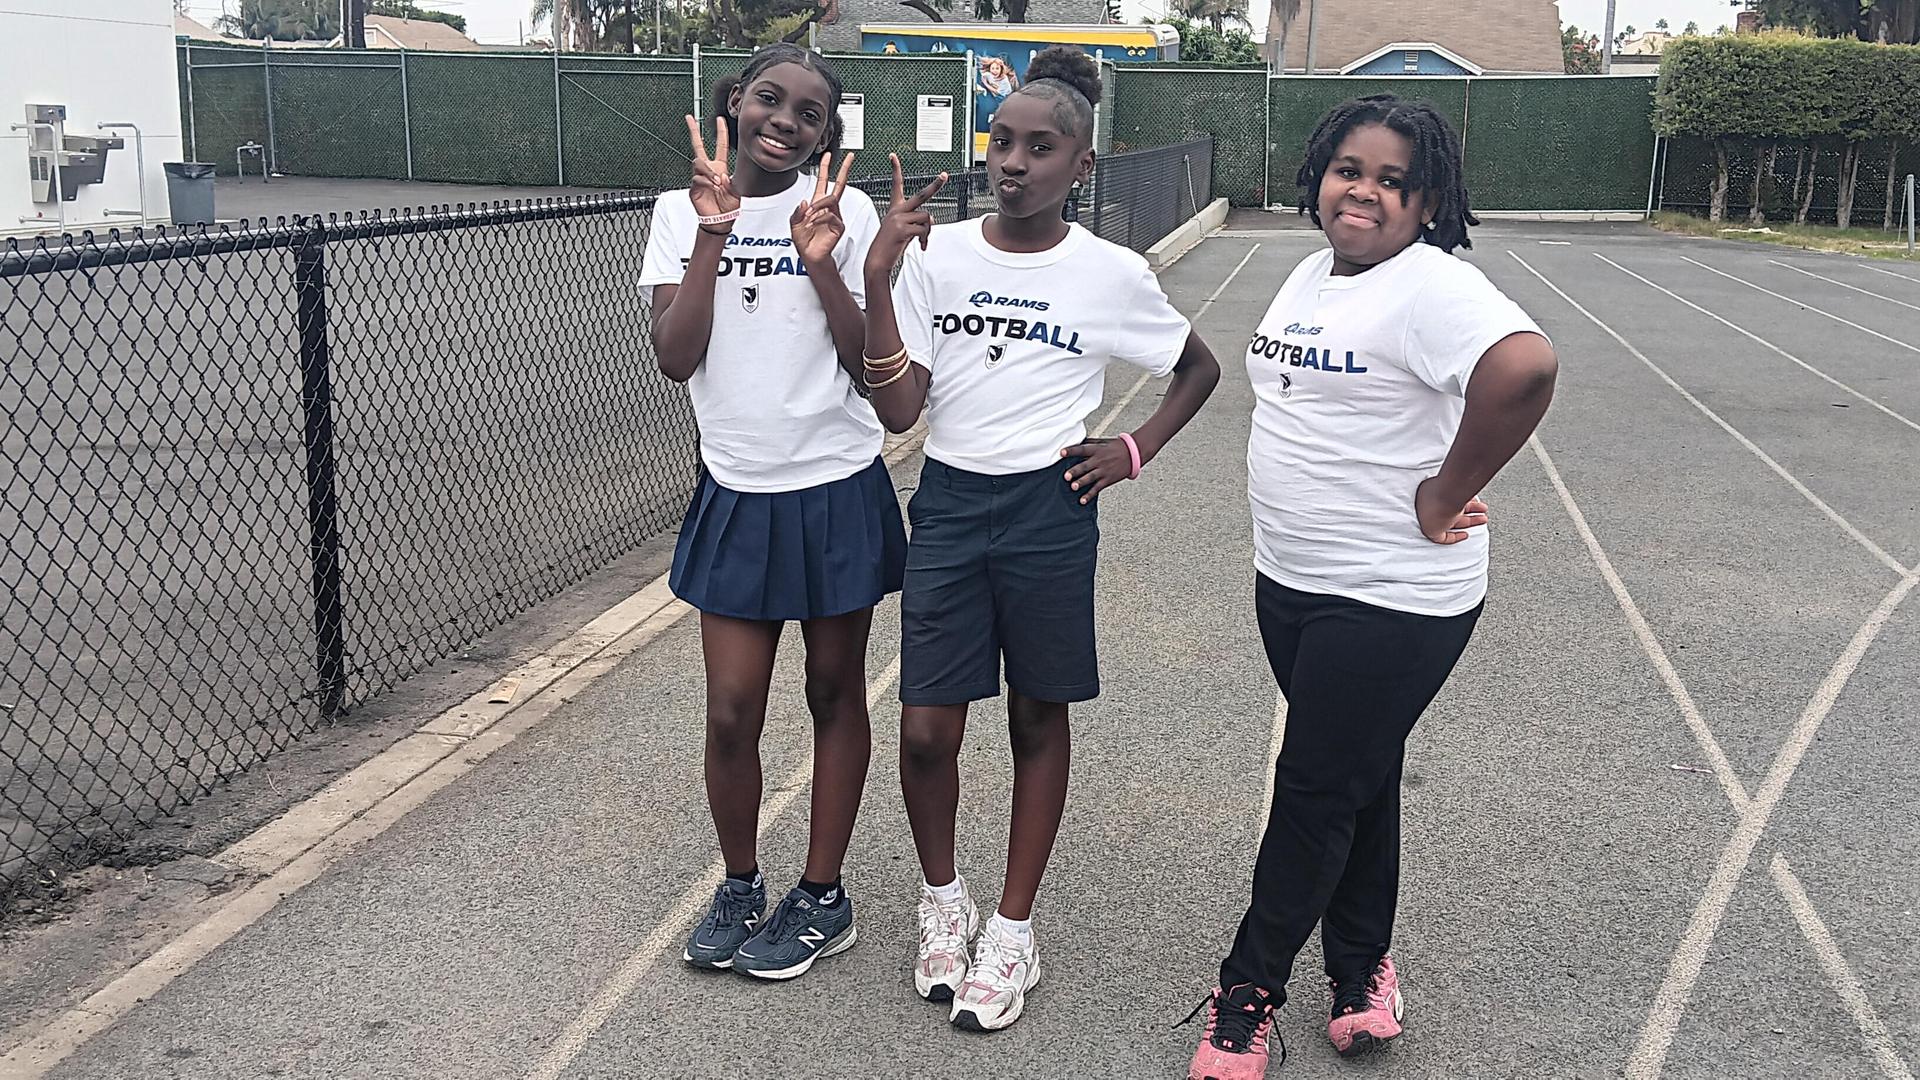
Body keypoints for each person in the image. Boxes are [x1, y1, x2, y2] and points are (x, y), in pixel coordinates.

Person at [1185, 94, 1558, 1079]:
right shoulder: (1312, 270)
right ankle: (1360, 970)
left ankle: (1247, 991)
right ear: (1320, 176)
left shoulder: (1432, 286)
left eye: (1395, 180)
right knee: (1360, 775)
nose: (1366, 190)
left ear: (1427, 203)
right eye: (1351, 169)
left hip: (1392, 597)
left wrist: (1448, 489)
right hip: (1294, 584)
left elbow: (1524, 368)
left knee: (1312, 788)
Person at [861, 46, 1222, 1032]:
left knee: (1035, 716)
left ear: (1082, 166)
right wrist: (882, 282)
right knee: (927, 728)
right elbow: (899, 408)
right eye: (1003, 141)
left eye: (1040, 147)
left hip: (1049, 511)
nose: (1014, 161)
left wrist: (1133, 449)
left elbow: (1198, 368)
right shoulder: (939, 257)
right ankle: (944, 902)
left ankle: (1013, 927)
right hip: (948, 501)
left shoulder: (1110, 273)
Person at [639, 43, 904, 983]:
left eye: (809, 114)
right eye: (770, 100)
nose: (785, 122)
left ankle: (823, 897)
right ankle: (742, 882)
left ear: (827, 135)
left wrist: (822, 258)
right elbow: (677, 357)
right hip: (738, 490)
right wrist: (715, 231)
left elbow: (863, 362)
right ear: (735, 103)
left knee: (835, 694)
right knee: (730, 710)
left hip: (834, 486)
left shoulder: (843, 207)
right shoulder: (679, 211)